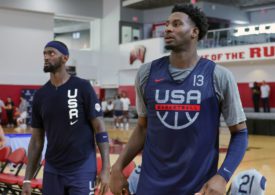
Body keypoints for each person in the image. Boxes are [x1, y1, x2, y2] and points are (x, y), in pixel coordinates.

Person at [110, 4, 248, 195]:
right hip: (150, 186)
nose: (167, 28)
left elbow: (240, 134)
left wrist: (223, 176)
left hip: (198, 188)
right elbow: (142, 127)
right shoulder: (146, 73)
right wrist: (118, 166)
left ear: (194, 32)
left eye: (176, 24)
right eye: (167, 24)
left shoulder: (218, 76)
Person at [22, 40, 110, 195]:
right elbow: (36, 140)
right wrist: (28, 179)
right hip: (53, 169)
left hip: (82, 168)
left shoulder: (82, 87)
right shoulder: (41, 95)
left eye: (51, 53)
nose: (46, 57)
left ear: (65, 58)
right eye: (44, 53)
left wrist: (105, 168)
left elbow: (100, 128)